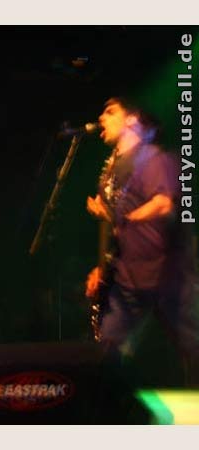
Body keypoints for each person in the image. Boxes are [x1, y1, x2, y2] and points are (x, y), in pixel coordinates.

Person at [85, 98, 199, 379]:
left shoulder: (155, 159)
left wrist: (126, 219)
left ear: (132, 120)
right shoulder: (113, 171)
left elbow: (163, 204)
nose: (102, 118)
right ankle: (107, 404)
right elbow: (117, 228)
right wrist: (103, 267)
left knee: (193, 346)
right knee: (107, 351)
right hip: (128, 279)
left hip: (168, 276)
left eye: (110, 111)